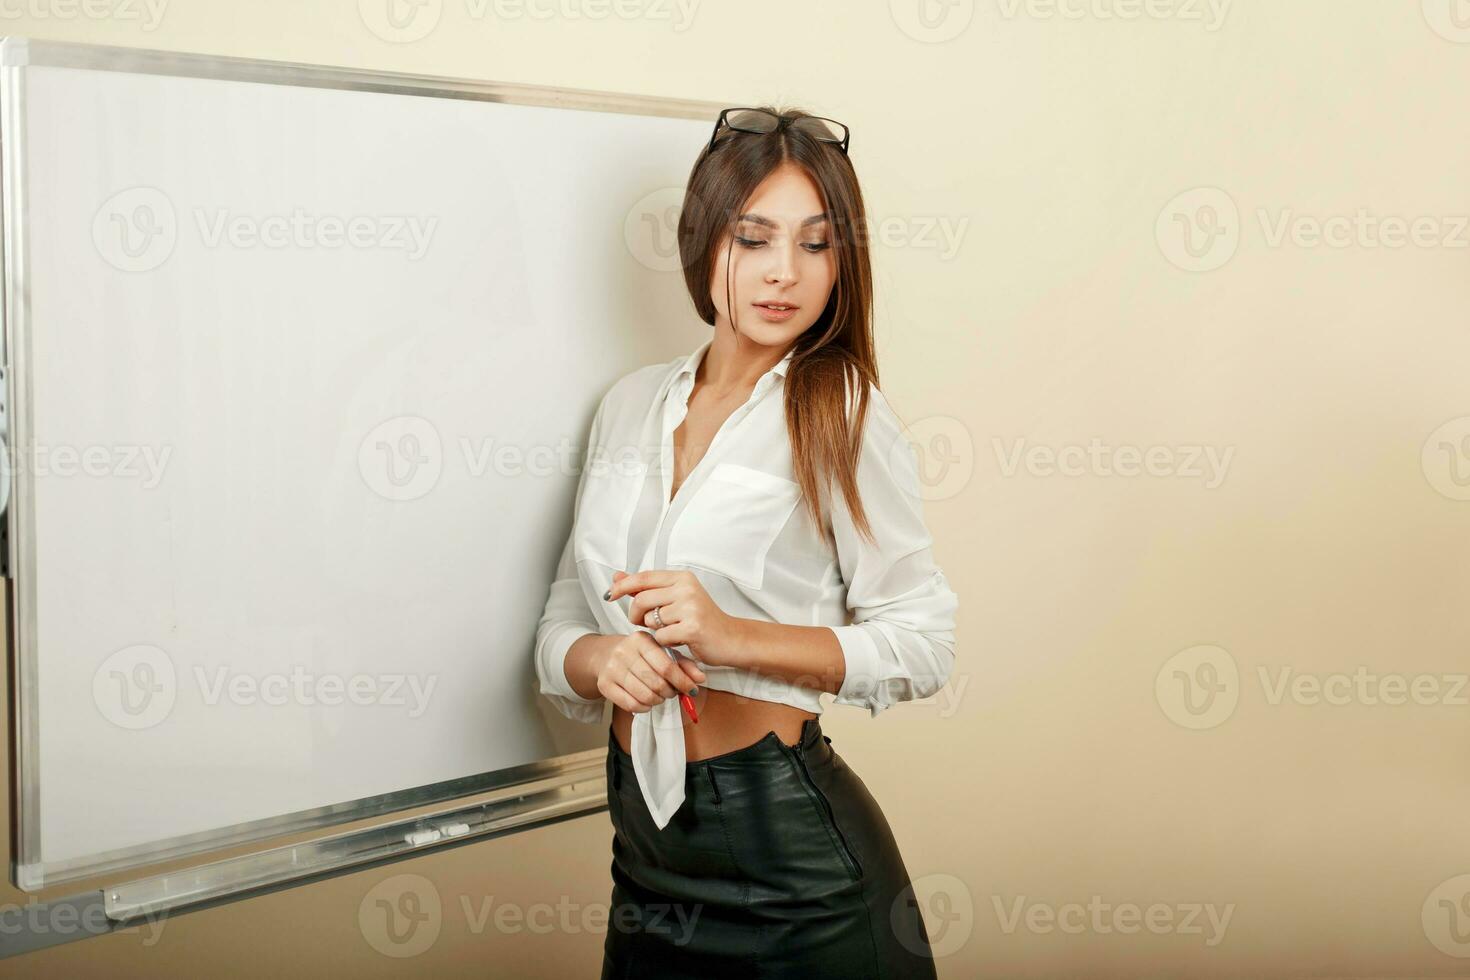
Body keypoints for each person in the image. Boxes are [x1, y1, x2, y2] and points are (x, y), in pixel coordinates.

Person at [533, 105, 959, 979]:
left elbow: (924, 643)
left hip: (794, 870)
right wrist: (598, 662)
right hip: (645, 864)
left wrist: (730, 636)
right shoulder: (628, 404)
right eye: (753, 238)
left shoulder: (840, 411)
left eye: (815, 244)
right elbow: (564, 619)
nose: (783, 274)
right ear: (705, 244)